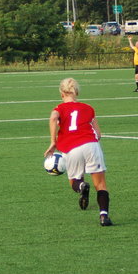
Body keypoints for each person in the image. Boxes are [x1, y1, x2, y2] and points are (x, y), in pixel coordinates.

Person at [44, 78, 113, 227]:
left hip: (71, 147)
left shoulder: (59, 108)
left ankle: (81, 186)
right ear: (77, 92)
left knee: (74, 181)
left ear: (62, 94)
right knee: (100, 184)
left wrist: (53, 141)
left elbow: (53, 118)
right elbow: (98, 134)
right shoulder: (88, 108)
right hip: (91, 145)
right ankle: (104, 216)